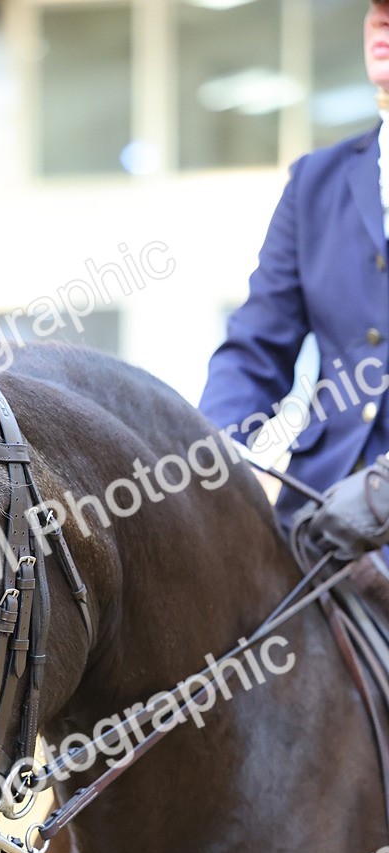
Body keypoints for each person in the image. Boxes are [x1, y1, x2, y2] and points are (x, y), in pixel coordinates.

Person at [199, 1, 389, 575]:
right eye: (376, 7)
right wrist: (206, 461)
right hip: (316, 515)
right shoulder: (315, 182)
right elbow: (256, 348)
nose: (381, 19)